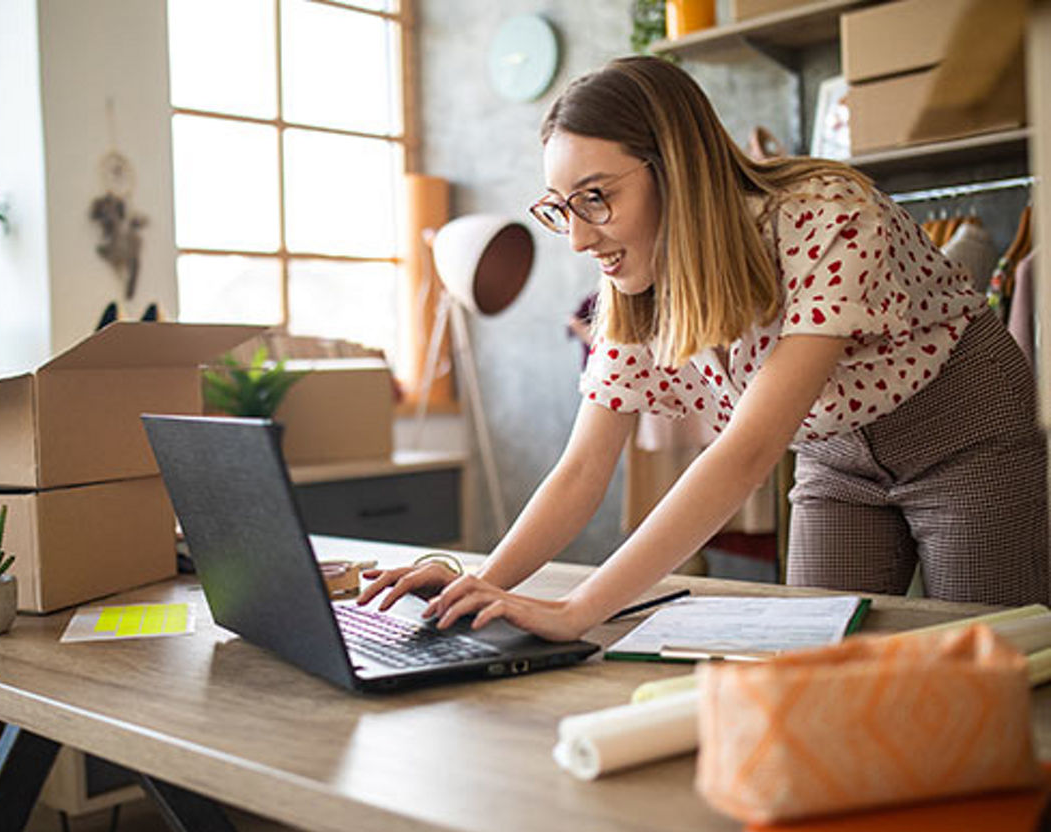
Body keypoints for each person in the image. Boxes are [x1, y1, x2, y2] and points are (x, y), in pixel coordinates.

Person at [359, 56, 1048, 640]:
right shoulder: (633, 292)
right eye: (563, 206)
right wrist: (476, 584)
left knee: (994, 657)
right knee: (815, 661)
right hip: (835, 458)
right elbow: (582, 470)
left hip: (962, 432)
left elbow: (746, 454)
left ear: (678, 171)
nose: (577, 237)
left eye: (595, 197)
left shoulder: (829, 217)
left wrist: (579, 611)